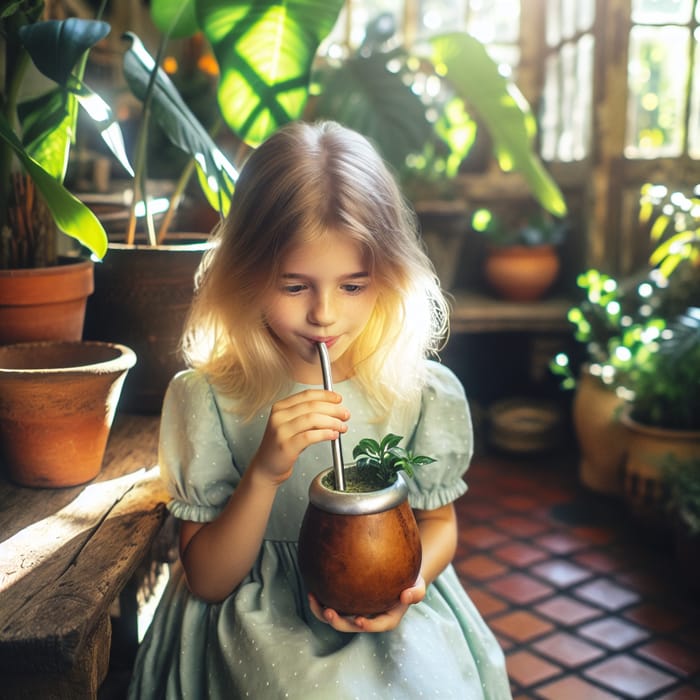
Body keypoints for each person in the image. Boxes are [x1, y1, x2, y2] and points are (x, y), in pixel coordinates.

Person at [128, 120, 511, 699]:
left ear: (390, 278)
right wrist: (265, 472)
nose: (324, 315)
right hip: (255, 624)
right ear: (246, 276)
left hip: (393, 611)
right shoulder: (208, 398)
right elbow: (207, 579)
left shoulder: (417, 391)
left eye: (353, 287)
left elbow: (437, 526)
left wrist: (404, 586)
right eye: (294, 286)